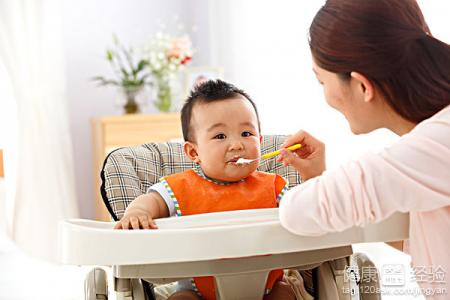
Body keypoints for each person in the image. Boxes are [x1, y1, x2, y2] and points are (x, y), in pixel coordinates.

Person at [277, 0, 450, 298]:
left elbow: (296, 212)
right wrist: (320, 178)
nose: (326, 97)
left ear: (361, 85)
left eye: (322, 81)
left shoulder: (439, 141)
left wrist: (325, 190)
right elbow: (417, 235)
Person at [115, 80, 295, 300]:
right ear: (193, 152)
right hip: (198, 293)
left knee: (285, 292)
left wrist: (312, 176)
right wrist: (136, 213)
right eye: (220, 136)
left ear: (259, 139)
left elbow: (304, 209)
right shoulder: (179, 188)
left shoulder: (274, 186)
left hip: (266, 289)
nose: (237, 145)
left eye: (246, 133)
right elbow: (151, 202)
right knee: (181, 299)